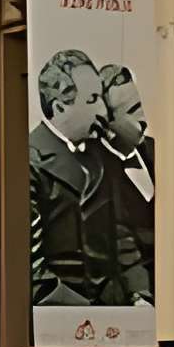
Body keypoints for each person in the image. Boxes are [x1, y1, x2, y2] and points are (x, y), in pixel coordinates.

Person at [29, 49, 110, 309]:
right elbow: (32, 268)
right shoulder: (31, 161)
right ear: (60, 106)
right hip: (65, 318)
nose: (103, 111)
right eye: (93, 100)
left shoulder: (99, 156)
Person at [95, 64, 155, 306]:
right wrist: (141, 297)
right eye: (132, 111)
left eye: (139, 105)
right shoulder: (96, 175)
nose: (142, 118)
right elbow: (122, 246)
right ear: (108, 127)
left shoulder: (159, 152)